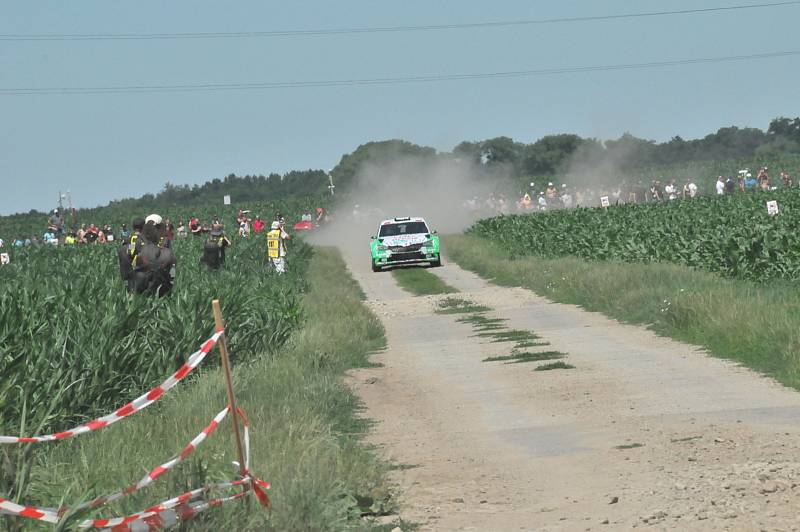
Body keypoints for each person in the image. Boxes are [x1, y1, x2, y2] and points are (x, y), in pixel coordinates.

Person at [130, 215, 176, 297]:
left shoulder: (135, 238)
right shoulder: (165, 239)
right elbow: (172, 262)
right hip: (161, 276)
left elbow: (130, 252)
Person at [118, 218, 145, 290]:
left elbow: (130, 251)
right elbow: (132, 251)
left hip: (127, 275)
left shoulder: (128, 240)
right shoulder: (144, 240)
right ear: (144, 227)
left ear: (133, 227)